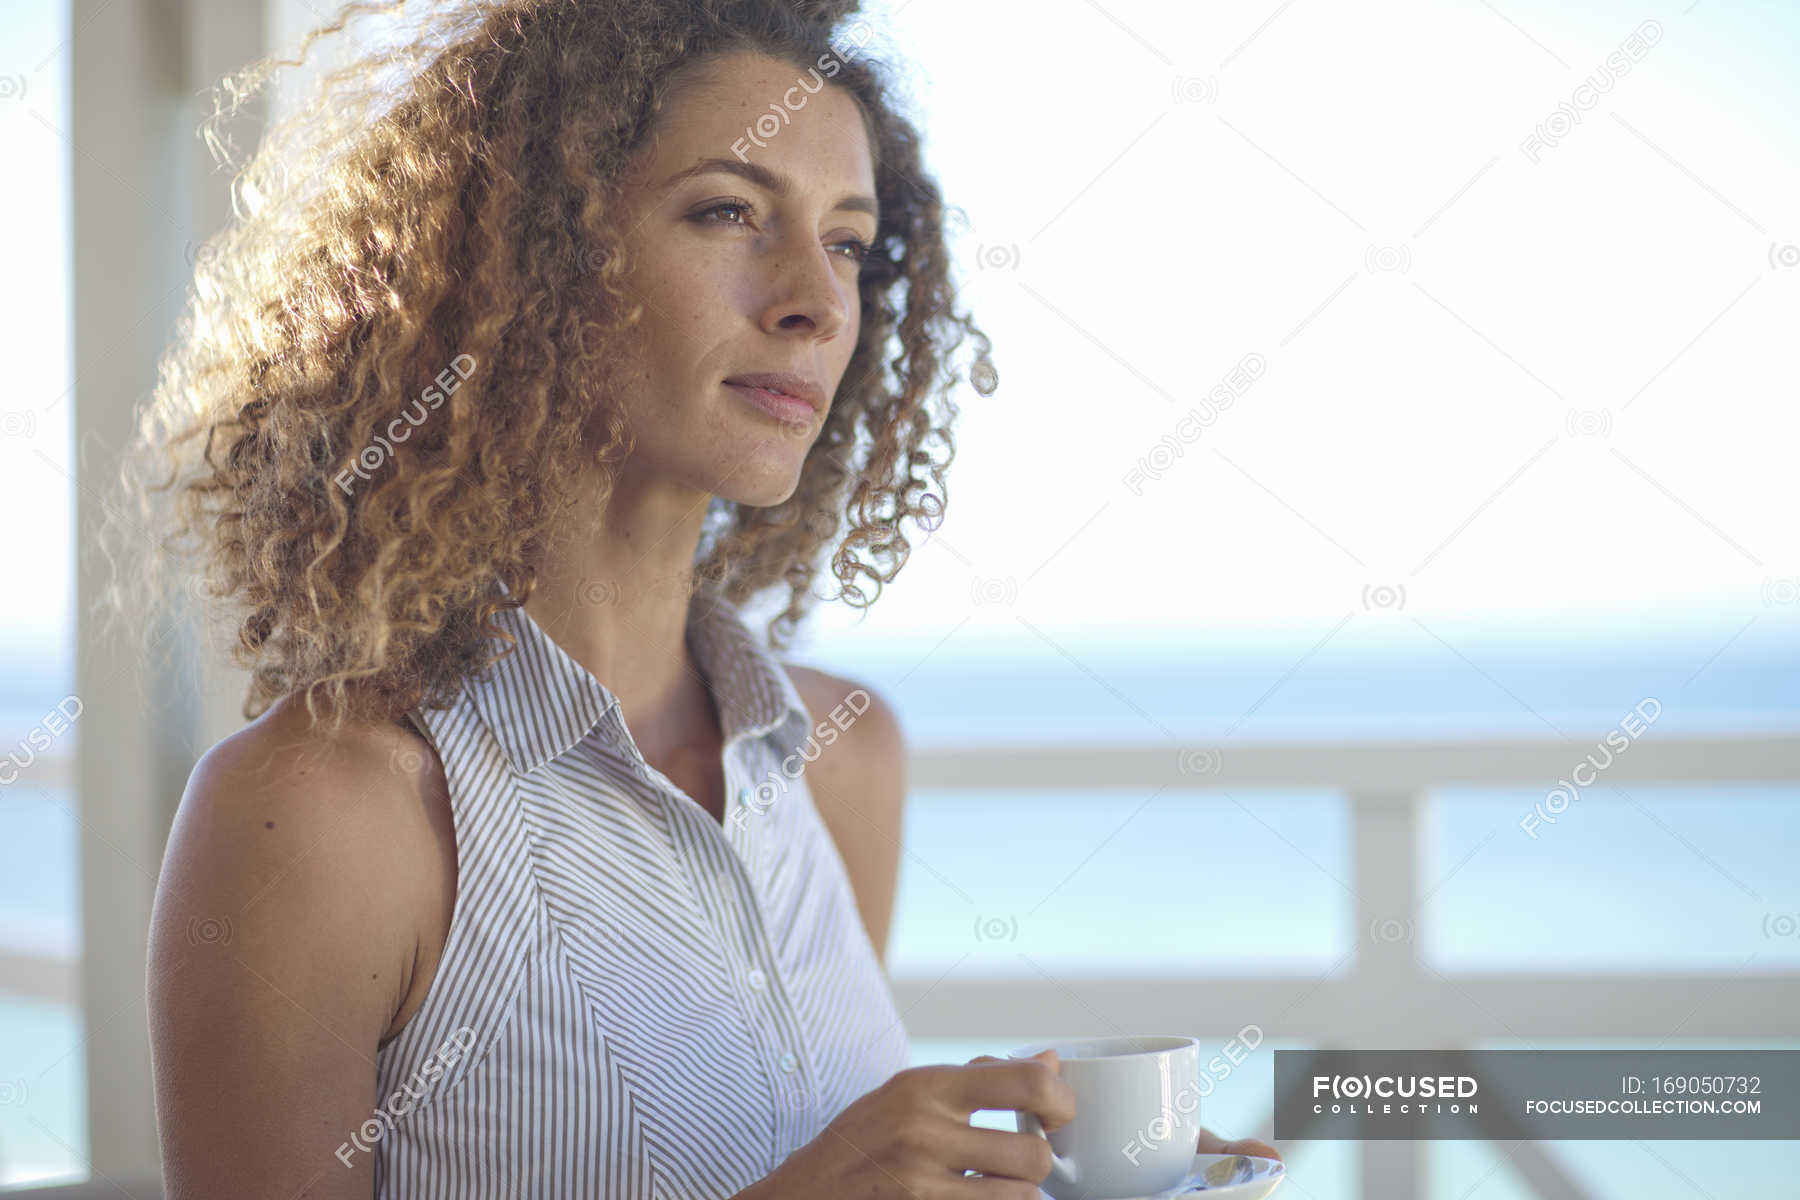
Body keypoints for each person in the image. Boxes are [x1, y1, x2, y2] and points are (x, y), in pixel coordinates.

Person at [114, 0, 1279, 1195]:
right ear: (530, 255)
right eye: (730, 212)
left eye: (846, 243)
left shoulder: (840, 758)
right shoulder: (320, 813)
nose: (816, 304)